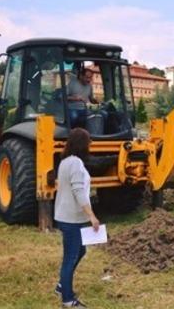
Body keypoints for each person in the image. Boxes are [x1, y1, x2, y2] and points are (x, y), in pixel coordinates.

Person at [54, 128, 100, 308]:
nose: (90, 145)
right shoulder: (75, 163)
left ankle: (62, 285)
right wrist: (92, 216)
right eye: (88, 141)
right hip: (71, 219)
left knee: (80, 251)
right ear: (82, 144)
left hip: (69, 217)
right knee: (71, 257)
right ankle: (68, 299)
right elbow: (78, 191)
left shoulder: (66, 161)